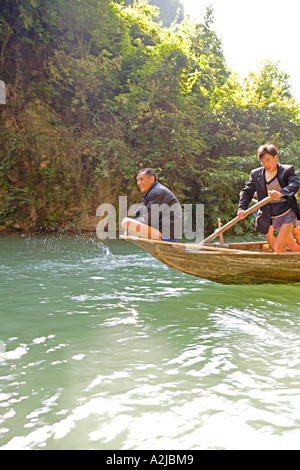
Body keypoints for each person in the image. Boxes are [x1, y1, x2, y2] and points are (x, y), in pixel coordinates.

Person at [237, 143, 300, 253]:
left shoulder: (287, 170)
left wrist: (280, 194)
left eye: (268, 160)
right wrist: (241, 208)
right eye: (262, 161)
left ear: (275, 157)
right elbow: (247, 191)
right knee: (289, 245)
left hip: (287, 213)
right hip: (269, 214)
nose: (265, 164)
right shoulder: (256, 174)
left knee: (277, 247)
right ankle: (291, 267)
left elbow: (295, 184)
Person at [121, 168, 182, 241]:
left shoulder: (159, 192)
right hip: (161, 232)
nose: (139, 183)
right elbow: (138, 214)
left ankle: (159, 238)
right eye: (138, 180)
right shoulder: (151, 193)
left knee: (126, 222)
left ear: (152, 179)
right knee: (129, 225)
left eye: (141, 179)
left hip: (167, 235)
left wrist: (131, 229)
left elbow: (148, 220)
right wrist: (130, 229)